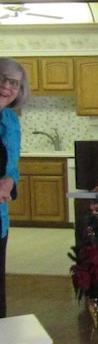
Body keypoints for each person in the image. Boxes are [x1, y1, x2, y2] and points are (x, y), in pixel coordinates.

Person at [0, 58, 29, 318]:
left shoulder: (9, 119)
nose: (6, 87)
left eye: (14, 83)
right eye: (2, 79)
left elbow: (12, 164)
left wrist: (10, 181)